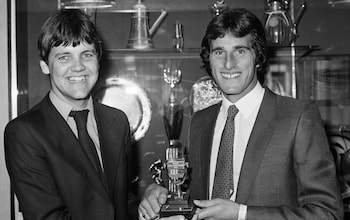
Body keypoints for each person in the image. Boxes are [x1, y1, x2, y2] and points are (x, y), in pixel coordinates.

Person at [138, 8, 344, 220]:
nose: (228, 64)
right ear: (209, 58)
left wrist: (242, 214)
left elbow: (328, 213)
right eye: (219, 52)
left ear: (258, 56)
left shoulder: (298, 118)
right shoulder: (201, 121)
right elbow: (191, 198)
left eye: (240, 51)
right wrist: (158, 192)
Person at [5, 9, 138, 220]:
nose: (78, 67)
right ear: (44, 66)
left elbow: (121, 202)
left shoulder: (118, 121)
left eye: (87, 55)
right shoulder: (25, 133)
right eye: (64, 57)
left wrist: (150, 204)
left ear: (98, 60)